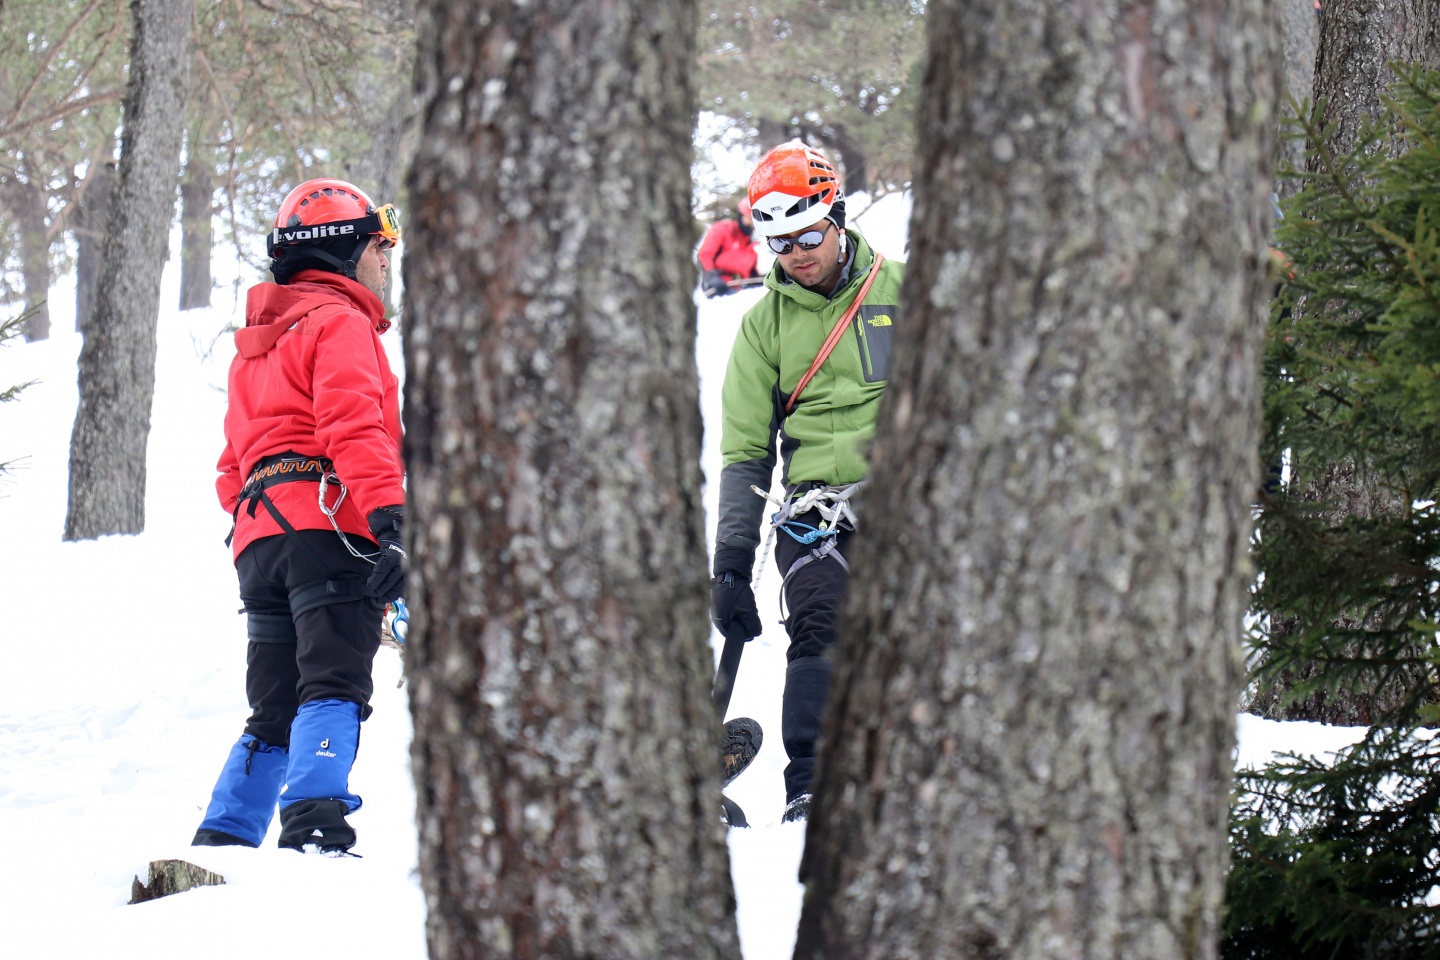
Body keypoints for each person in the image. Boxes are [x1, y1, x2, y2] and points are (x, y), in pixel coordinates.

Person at [191, 178, 406, 855]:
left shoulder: (254, 348)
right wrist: (393, 523)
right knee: (334, 678)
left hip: (260, 541)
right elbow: (355, 429)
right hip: (329, 526)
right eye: (379, 245)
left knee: (275, 703)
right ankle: (315, 828)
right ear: (344, 250)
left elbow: (232, 467)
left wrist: (265, 520)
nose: (386, 261)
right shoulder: (340, 322)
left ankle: (222, 838)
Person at [710, 141, 905, 823]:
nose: (797, 253)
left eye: (809, 235)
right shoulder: (763, 327)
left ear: (838, 216)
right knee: (822, 619)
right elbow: (744, 453)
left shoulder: (906, 293)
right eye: (780, 241)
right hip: (817, 512)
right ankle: (813, 788)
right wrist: (732, 566)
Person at [698, 197, 760, 297]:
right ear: (741, 216)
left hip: (740, 292)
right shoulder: (723, 230)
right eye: (749, 218)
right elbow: (705, 254)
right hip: (718, 290)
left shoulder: (750, 244)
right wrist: (712, 277)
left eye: (755, 220)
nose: (752, 223)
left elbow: (752, 274)